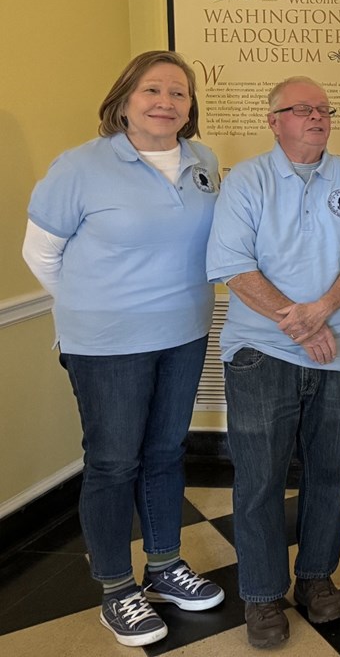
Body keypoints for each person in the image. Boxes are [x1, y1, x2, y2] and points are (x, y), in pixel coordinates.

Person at [23, 50, 225, 648]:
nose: (166, 102)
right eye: (152, 90)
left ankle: (163, 566)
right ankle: (117, 588)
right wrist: (96, 306)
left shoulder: (204, 161)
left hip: (184, 332)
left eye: (179, 93)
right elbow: (40, 255)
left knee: (164, 452)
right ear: (124, 99)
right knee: (114, 462)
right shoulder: (79, 166)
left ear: (190, 107)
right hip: (107, 344)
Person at [206, 76, 340, 649]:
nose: (316, 117)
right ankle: (261, 595)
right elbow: (231, 264)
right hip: (262, 353)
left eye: (323, 109)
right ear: (274, 120)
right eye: (301, 109)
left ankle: (315, 577)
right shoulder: (247, 183)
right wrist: (299, 322)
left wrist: (324, 310)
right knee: (260, 479)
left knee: (330, 474)